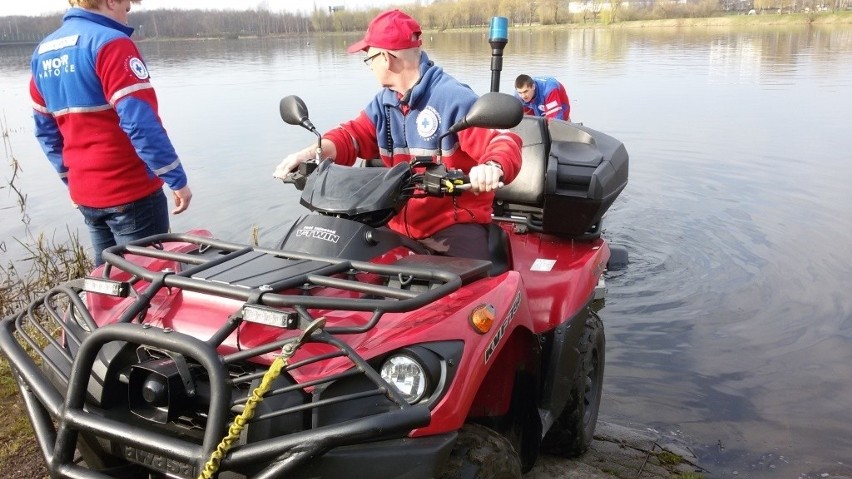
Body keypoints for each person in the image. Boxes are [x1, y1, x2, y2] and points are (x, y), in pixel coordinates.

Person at [273, 9, 522, 261]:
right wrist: (309, 154)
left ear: (385, 58)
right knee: (344, 272)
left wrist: (492, 167)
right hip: (393, 222)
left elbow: (503, 140)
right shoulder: (385, 103)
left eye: (368, 59)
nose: (369, 67)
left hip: (451, 225)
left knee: (466, 293)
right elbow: (351, 135)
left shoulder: (452, 98)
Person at [30, 0, 192, 266]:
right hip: (130, 192)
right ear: (111, 1)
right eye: (126, 8)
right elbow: (140, 122)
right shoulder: (112, 43)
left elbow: (46, 132)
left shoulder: (42, 52)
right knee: (150, 284)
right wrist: (176, 179)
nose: (127, 17)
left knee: (109, 287)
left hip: (86, 194)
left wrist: (71, 182)